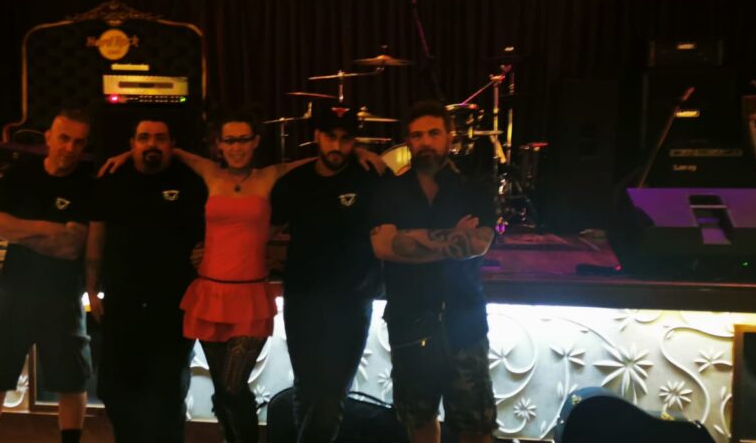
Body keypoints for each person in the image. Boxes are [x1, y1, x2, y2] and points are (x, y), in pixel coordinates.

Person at [98, 109, 384, 443]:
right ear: (219, 145)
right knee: (223, 389)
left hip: (249, 296)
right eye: (230, 140)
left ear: (255, 142)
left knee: (233, 388)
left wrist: (357, 151)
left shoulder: (270, 176)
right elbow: (172, 151)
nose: (236, 147)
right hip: (211, 294)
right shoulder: (210, 173)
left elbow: (318, 160)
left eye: (243, 139)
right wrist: (125, 154)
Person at [369, 99, 499, 443]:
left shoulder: (474, 187)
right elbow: (384, 246)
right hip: (409, 321)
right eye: (417, 136)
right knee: (420, 422)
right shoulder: (390, 190)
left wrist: (411, 240)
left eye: (433, 133)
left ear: (449, 137)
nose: (425, 142)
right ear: (407, 142)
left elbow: (478, 243)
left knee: (475, 428)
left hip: (464, 319)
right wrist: (452, 240)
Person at [0, 108, 94, 443]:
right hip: (15, 293)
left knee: (71, 381)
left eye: (78, 142)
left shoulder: (87, 184)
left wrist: (20, 232)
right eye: (64, 138)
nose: (70, 148)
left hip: (64, 297)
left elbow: (71, 248)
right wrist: (49, 228)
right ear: (49, 138)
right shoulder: (21, 174)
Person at [86, 117, 207, 443]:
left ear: (172, 145)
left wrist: (208, 250)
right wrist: (92, 289)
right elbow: (96, 238)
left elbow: (216, 226)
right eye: (144, 138)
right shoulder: (111, 179)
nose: (151, 144)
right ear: (132, 144)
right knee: (115, 390)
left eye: (160, 138)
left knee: (167, 395)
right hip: (121, 303)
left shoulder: (191, 181)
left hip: (174, 307)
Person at [270, 105, 381, 442]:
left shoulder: (368, 178)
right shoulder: (295, 183)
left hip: (352, 301)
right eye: (330, 137)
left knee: (331, 395)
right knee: (307, 388)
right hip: (302, 300)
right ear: (317, 136)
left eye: (346, 139)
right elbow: (266, 231)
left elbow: (406, 189)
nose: (337, 146)